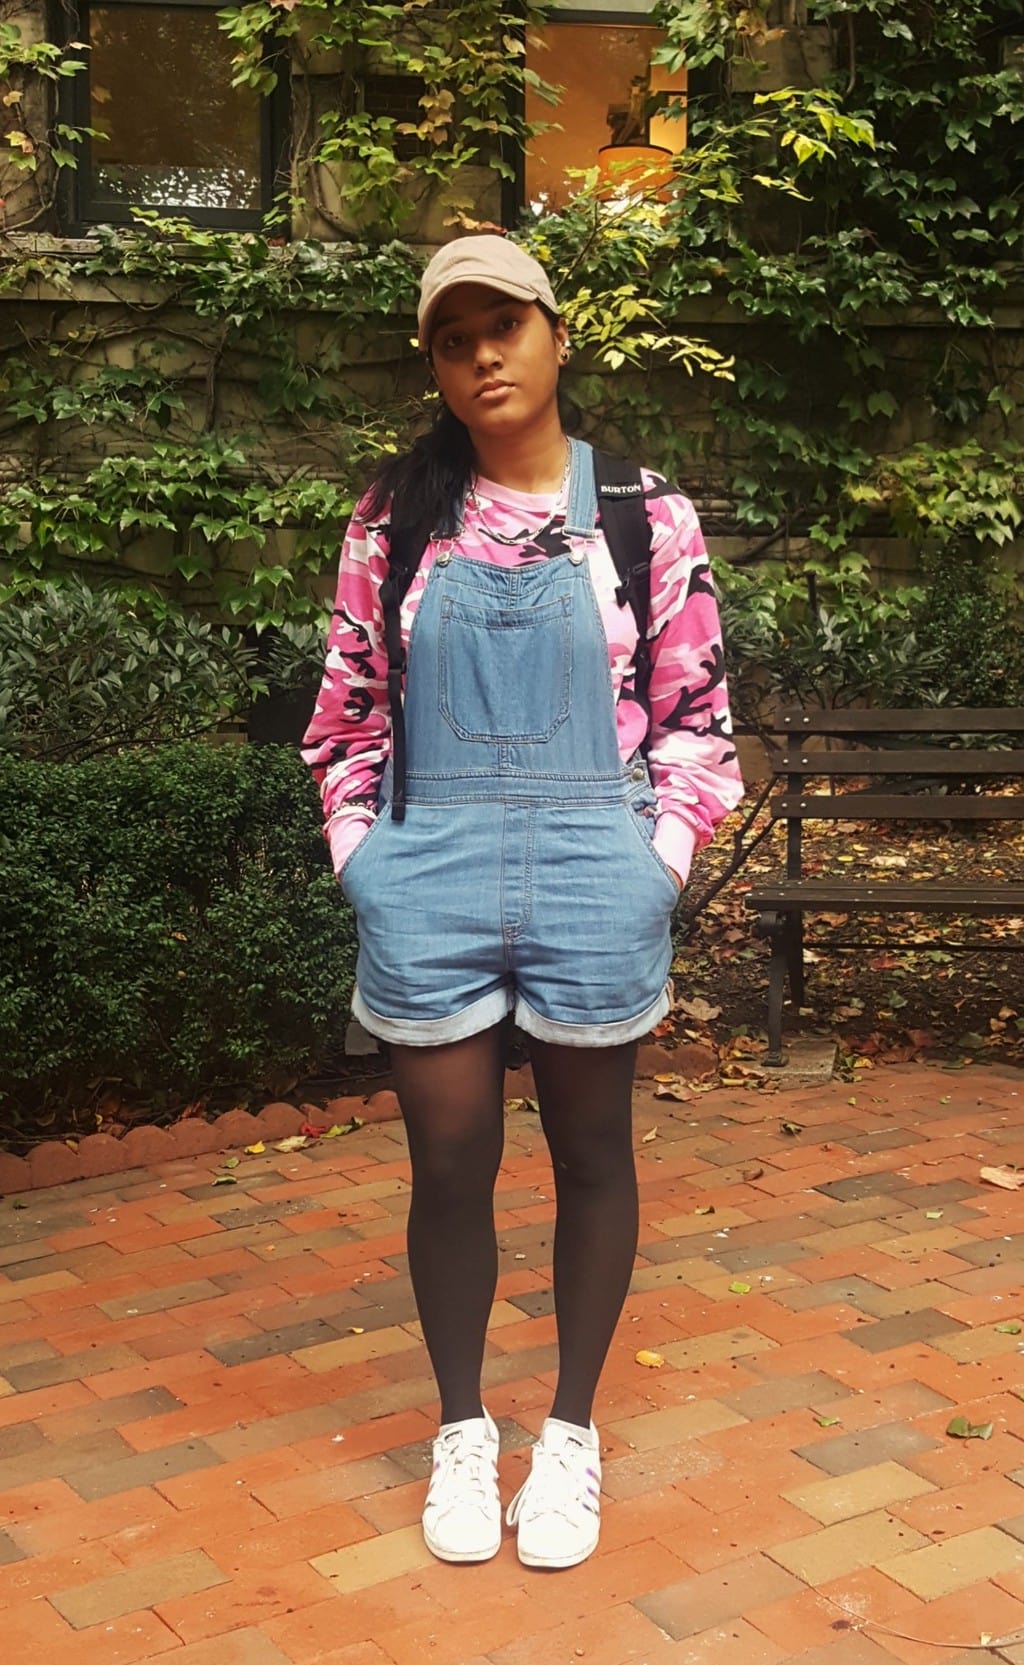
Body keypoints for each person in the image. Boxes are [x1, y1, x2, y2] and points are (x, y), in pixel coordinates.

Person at [301, 234, 743, 1571]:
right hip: (428, 874)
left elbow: (701, 718)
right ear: (434, 365)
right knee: (449, 1163)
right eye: (453, 337)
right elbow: (345, 721)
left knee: (592, 1155)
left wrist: (652, 866)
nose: (482, 354)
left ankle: (569, 1433)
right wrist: (363, 859)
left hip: (591, 873)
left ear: (558, 336)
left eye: (505, 325)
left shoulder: (642, 515)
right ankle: (459, 1428)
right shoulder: (393, 518)